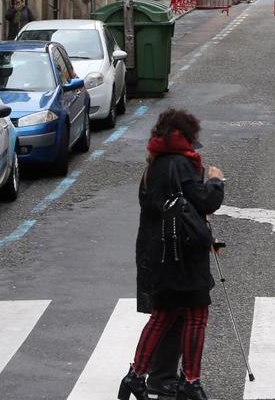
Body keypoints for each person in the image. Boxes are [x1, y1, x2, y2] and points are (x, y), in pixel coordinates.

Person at [121, 108, 225, 400]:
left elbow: (170, 209)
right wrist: (215, 180)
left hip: (159, 253)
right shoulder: (180, 164)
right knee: (194, 316)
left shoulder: (153, 163)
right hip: (182, 256)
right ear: (186, 136)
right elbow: (204, 201)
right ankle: (188, 381)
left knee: (166, 316)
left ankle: (138, 376)